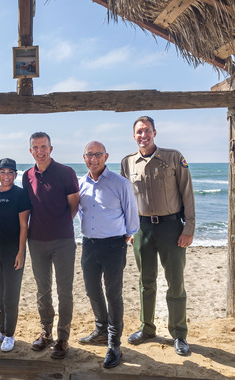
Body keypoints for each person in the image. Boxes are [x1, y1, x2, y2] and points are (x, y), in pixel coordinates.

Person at [120, 116, 195, 356]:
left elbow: (187, 193)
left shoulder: (173, 157)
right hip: (142, 229)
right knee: (146, 282)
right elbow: (124, 200)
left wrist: (189, 228)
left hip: (171, 228)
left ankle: (179, 334)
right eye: (139, 132)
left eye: (147, 131)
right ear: (134, 136)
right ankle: (147, 328)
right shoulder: (127, 163)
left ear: (155, 132)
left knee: (175, 282)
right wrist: (126, 230)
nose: (143, 135)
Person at [77, 141, 139, 368]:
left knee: (113, 294)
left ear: (106, 157)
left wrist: (126, 236)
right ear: (84, 158)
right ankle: (101, 330)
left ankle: (114, 343)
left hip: (114, 245)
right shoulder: (80, 183)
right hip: (88, 245)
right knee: (92, 290)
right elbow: (80, 212)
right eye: (89, 155)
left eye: (98, 155)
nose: (94, 159)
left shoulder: (119, 183)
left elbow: (131, 214)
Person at [22, 132, 79, 359]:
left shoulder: (66, 172)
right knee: (42, 290)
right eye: (36, 147)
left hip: (63, 241)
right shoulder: (27, 176)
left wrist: (60, 225)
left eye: (43, 146)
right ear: (31, 151)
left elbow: (73, 206)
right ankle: (46, 332)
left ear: (50, 148)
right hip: (36, 242)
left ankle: (63, 338)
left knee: (64, 292)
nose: (40, 151)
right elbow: (27, 208)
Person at [0, 158, 32, 352]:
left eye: (10, 172)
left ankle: (10, 334)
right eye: (3, 172)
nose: (6, 176)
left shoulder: (20, 195)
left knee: (10, 294)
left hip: (12, 249)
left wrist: (20, 252)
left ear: (15, 175)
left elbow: (23, 226)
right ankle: (1, 331)